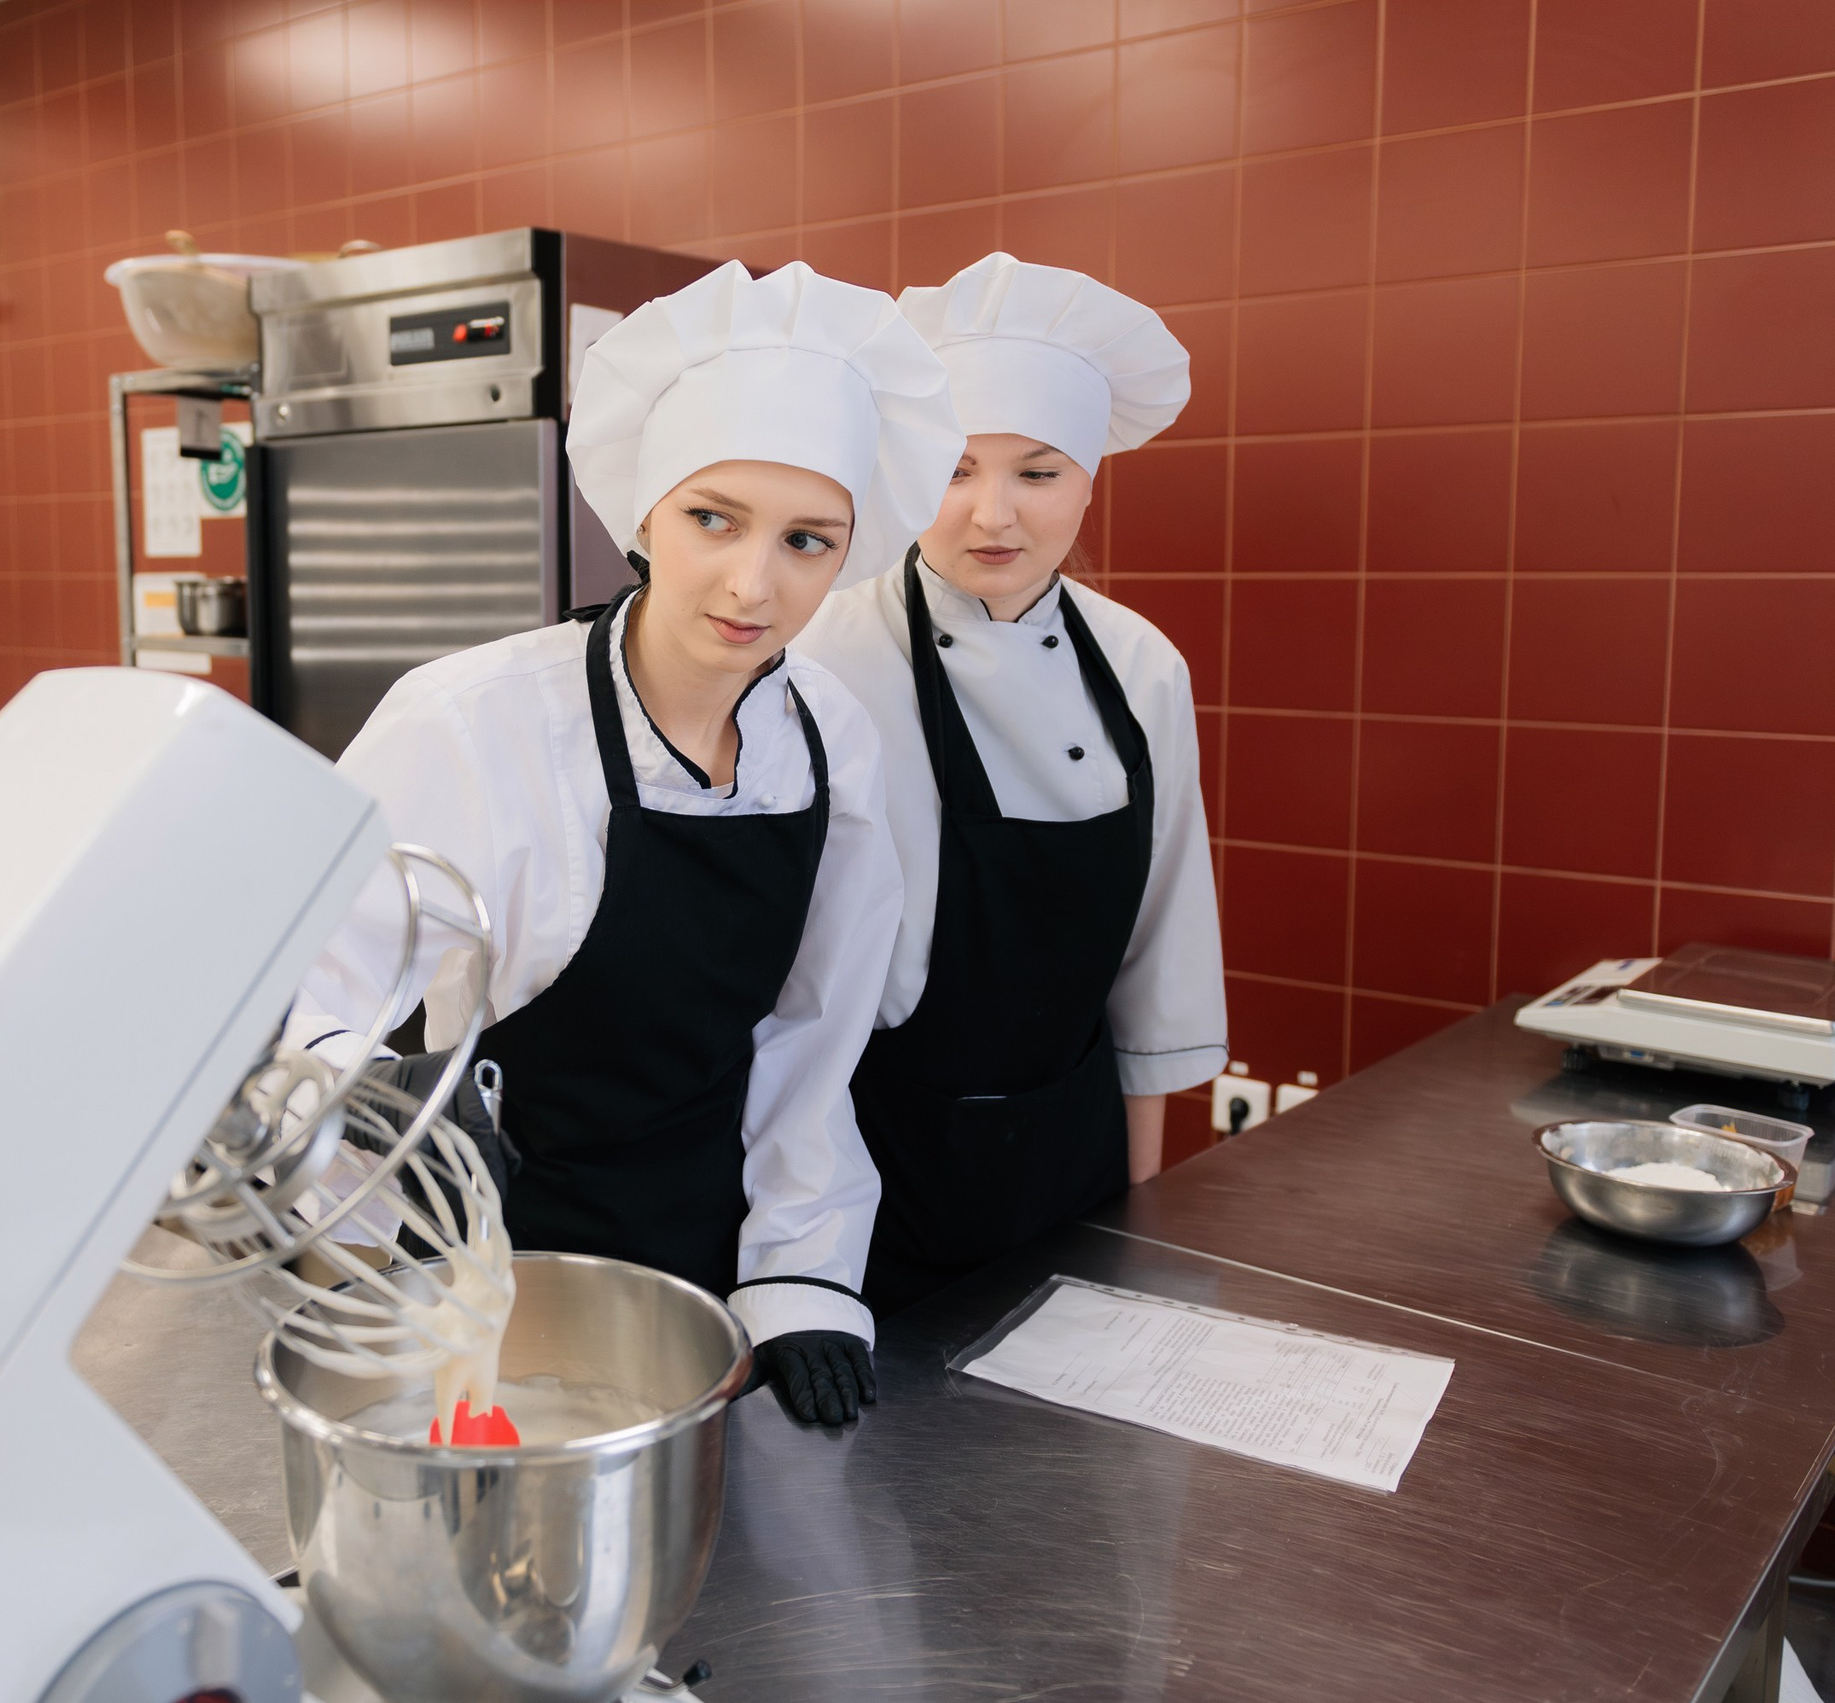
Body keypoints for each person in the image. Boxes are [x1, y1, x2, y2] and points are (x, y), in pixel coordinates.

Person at [287, 259, 962, 1423]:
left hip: (708, 1279)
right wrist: (374, 1097)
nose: (752, 583)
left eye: (807, 540)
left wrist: (799, 1276)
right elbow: (295, 993)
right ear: (646, 512)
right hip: (485, 1279)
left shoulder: (828, 739)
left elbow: (811, 1041)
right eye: (713, 518)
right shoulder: (472, 723)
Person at [794, 252, 1227, 1318]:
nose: (994, 516)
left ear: (1089, 479)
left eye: (1038, 473)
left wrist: (1140, 1213)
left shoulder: (1141, 665)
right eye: (954, 469)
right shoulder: (819, 653)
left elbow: (1158, 948)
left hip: (1072, 1159)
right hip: (861, 1166)